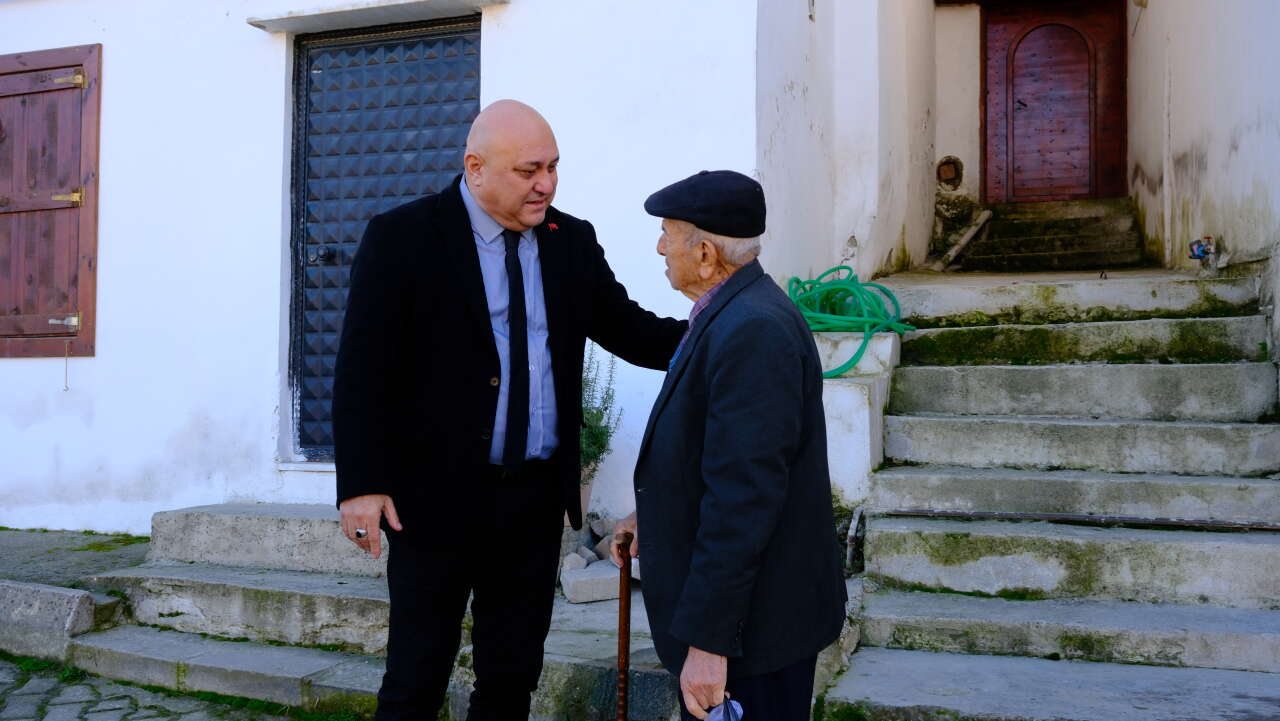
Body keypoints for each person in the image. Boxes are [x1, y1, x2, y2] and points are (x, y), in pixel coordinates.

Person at [333, 99, 686, 721]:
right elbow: (363, 368)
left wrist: (722, 329)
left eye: (552, 167)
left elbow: (629, 329)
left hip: (533, 499)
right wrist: (361, 485)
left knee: (512, 676)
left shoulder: (569, 240)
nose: (545, 183)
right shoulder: (404, 236)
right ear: (475, 167)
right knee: (416, 676)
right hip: (433, 502)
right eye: (529, 170)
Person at [612, 170, 847, 721]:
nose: (660, 246)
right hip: (751, 627)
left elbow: (743, 498)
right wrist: (655, 515)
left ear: (707, 255)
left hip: (753, 637)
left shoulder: (752, 331)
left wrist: (708, 645)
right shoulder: (732, 313)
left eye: (669, 233)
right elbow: (714, 459)